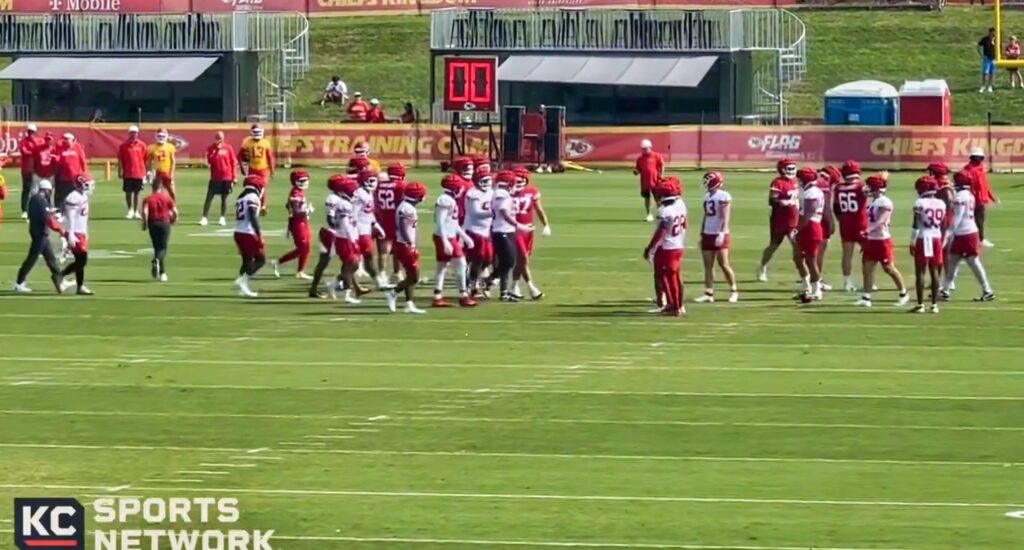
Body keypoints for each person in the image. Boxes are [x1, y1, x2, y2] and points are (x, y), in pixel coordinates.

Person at [855, 174, 910, 308]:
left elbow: (882, 220)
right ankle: (866, 297)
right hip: (872, 240)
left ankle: (903, 293)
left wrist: (869, 230)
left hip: (882, 240)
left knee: (889, 268)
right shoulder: (874, 201)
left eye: (871, 186)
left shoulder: (885, 202)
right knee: (867, 268)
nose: (867, 189)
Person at [942, 170, 995, 302]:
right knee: (953, 261)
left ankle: (987, 289)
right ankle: (945, 289)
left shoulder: (960, 197)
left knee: (972, 262)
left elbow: (958, 217)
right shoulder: (968, 195)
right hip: (969, 231)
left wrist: (949, 234)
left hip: (964, 233)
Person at [643, 177, 687, 316]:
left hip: (668, 247)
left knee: (666, 277)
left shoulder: (665, 211)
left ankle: (673, 306)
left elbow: (660, 233)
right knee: (675, 277)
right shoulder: (681, 205)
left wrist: (649, 249)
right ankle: (678, 305)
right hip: (678, 244)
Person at [432, 174, 476, 307]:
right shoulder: (446, 200)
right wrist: (445, 241)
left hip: (445, 235)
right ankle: (463, 295)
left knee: (442, 266)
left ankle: (437, 295)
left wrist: (465, 237)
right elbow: (440, 221)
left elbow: (452, 223)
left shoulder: (449, 199)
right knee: (461, 264)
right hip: (445, 236)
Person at [13, 180, 65, 294]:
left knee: (51, 259)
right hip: (40, 234)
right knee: (31, 259)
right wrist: (60, 230)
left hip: (39, 233)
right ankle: (19, 283)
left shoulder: (34, 199)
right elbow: (48, 219)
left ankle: (60, 280)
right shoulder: (40, 201)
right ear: (46, 190)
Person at [695, 171, 738, 303]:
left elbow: (725, 216)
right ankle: (709, 292)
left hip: (719, 234)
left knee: (724, 264)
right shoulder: (707, 196)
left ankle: (734, 290)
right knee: (708, 265)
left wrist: (721, 232)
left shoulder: (724, 196)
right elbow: (706, 216)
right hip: (708, 233)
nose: (705, 183)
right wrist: (702, 233)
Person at [387, 181, 428, 314]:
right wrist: (410, 243)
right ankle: (393, 293)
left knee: (411, 275)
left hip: (404, 244)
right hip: (405, 245)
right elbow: (403, 227)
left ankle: (409, 303)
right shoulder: (407, 208)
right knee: (414, 277)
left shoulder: (407, 206)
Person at [756, 158, 799, 282]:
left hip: (793, 219)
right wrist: (784, 202)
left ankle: (803, 273)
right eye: (789, 168)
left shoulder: (795, 181)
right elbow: (772, 200)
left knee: (797, 246)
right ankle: (762, 268)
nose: (792, 171)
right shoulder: (777, 182)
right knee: (774, 246)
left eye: (793, 168)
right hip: (779, 220)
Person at [512, 167, 551, 300]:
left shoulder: (531, 191)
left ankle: (514, 286)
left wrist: (546, 225)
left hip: (528, 229)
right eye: (518, 178)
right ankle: (529, 287)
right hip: (514, 229)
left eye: (523, 179)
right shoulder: (506, 192)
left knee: (522, 260)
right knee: (523, 258)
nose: (520, 181)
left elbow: (538, 209)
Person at [491, 170, 530, 302]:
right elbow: (503, 211)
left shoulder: (499, 193)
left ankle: (502, 290)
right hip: (502, 230)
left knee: (508, 262)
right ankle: (498, 288)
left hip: (505, 230)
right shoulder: (502, 194)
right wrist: (519, 225)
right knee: (508, 262)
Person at [909, 176, 946, 313]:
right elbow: (943, 225)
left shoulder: (920, 202)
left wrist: (912, 241)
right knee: (935, 271)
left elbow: (915, 224)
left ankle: (920, 304)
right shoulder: (941, 203)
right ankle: (934, 305)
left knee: (920, 272)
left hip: (924, 237)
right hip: (936, 237)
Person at [833, 160, 868, 292]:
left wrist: (841, 220)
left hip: (845, 224)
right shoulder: (861, 186)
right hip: (861, 224)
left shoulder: (838, 188)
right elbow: (875, 190)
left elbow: (836, 207)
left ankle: (847, 282)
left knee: (847, 255)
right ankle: (868, 281)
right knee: (869, 253)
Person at [272, 169, 314, 280]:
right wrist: (307, 210)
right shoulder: (296, 193)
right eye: (303, 180)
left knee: (307, 247)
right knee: (303, 248)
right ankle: (278, 262)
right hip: (298, 224)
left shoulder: (298, 192)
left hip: (302, 222)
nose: (306, 182)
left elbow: (287, 206)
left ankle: (300, 271)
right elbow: (296, 212)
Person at [793, 167, 825, 303]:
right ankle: (806, 286)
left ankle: (817, 288)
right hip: (809, 226)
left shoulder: (812, 193)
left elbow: (808, 214)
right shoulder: (811, 191)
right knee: (798, 258)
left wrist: (798, 229)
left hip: (811, 227)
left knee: (811, 260)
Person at [352, 170, 388, 288]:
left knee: (365, 259)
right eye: (372, 180)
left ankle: (378, 281)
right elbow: (353, 214)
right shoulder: (359, 194)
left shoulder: (368, 193)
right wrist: (353, 233)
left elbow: (368, 212)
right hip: (359, 232)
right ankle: (378, 281)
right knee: (355, 262)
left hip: (365, 230)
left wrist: (376, 225)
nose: (375, 183)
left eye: (375, 180)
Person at [232, 176, 267, 298]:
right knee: (261, 260)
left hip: (239, 232)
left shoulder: (241, 197)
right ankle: (242, 280)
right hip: (248, 232)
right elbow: (252, 216)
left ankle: (243, 287)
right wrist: (259, 234)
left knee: (246, 261)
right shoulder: (253, 197)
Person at [60, 175, 93, 295]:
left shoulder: (82, 195)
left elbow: (82, 217)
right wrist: (71, 234)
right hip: (75, 232)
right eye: (87, 184)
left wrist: (86, 231)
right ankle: (60, 275)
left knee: (80, 260)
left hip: (81, 231)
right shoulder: (73, 196)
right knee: (82, 260)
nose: (89, 186)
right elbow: (71, 217)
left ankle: (80, 286)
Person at [463, 168, 494, 298]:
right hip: (474, 230)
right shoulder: (472, 194)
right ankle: (473, 286)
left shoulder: (492, 192)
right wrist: (493, 213)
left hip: (486, 231)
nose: (488, 182)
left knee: (488, 259)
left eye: (489, 180)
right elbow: (475, 212)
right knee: (478, 259)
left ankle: (474, 278)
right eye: (485, 180)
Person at [140, 176, 178, 282]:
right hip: (164, 223)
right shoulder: (166, 198)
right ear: (161, 187)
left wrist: (145, 224)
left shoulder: (148, 199)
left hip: (153, 224)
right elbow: (175, 211)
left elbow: (145, 212)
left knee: (157, 247)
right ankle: (157, 261)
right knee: (163, 248)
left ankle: (162, 272)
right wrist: (174, 220)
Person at [375, 164, 406, 284]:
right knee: (397, 246)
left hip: (382, 217)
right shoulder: (401, 186)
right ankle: (397, 272)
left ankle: (382, 273)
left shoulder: (380, 185)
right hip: (396, 218)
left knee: (384, 248)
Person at [962, 147, 998, 247]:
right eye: (979, 158)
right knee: (972, 221)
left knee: (979, 221)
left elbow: (985, 185)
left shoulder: (980, 170)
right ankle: (977, 240)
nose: (981, 160)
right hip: (973, 200)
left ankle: (979, 240)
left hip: (981, 200)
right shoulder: (969, 170)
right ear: (974, 158)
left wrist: (992, 197)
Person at [202, 131, 238, 226]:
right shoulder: (210, 148)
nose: (219, 140)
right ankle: (204, 218)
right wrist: (216, 151)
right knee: (209, 197)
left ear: (223, 138)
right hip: (215, 178)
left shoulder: (228, 148)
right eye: (217, 138)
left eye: (220, 138)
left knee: (224, 198)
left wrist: (234, 177)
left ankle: (222, 217)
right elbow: (209, 161)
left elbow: (233, 162)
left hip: (227, 177)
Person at [814, 165, 840, 291]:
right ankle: (816, 280)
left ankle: (812, 279)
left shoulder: (815, 183)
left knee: (812, 253)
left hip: (814, 220)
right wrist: (830, 223)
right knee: (818, 253)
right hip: (821, 221)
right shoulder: (824, 185)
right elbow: (825, 209)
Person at [239, 124, 275, 213]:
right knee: (252, 187)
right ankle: (255, 205)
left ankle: (262, 206)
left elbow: (269, 157)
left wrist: (272, 170)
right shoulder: (247, 142)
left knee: (261, 187)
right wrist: (242, 167)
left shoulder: (264, 142)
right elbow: (240, 156)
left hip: (262, 168)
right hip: (252, 168)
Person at [118, 125, 147, 220]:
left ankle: (136, 211)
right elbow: (120, 159)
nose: (133, 134)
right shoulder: (123, 145)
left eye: (135, 132)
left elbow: (145, 159)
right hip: (128, 173)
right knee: (128, 192)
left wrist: (146, 172)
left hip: (139, 173)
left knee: (137, 193)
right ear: (129, 133)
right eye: (131, 132)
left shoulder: (142, 145)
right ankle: (130, 210)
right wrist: (120, 170)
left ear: (138, 133)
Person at [55, 133, 87, 217]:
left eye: (67, 139)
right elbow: (59, 161)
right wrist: (57, 160)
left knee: (78, 196)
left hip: (76, 177)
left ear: (71, 139)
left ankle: (79, 212)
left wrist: (85, 174)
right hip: (64, 177)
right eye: (64, 139)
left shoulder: (78, 147)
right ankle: (63, 213)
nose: (65, 141)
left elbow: (83, 161)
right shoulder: (61, 149)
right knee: (64, 196)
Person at [18, 123, 44, 219]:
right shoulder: (24, 142)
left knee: (38, 190)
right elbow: (24, 151)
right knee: (26, 190)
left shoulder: (39, 141)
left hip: (38, 169)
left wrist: (34, 151)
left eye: (32, 132)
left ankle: (39, 208)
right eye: (29, 131)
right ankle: (24, 210)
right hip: (27, 169)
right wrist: (34, 151)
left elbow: (41, 151)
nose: (30, 133)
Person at [634, 139, 664, 222]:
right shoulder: (640, 158)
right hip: (645, 182)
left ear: (650, 147)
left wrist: (661, 175)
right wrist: (636, 172)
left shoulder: (656, 156)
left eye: (645, 148)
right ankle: (649, 214)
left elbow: (661, 165)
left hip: (655, 181)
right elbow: (638, 169)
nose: (644, 150)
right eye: (643, 148)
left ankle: (661, 214)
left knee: (658, 198)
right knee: (647, 198)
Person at [147, 129, 177, 201]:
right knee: (156, 193)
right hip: (157, 172)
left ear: (166, 136)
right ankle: (156, 209)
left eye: (163, 136)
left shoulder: (170, 147)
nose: (161, 138)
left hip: (167, 172)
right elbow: (149, 161)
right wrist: (149, 172)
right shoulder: (151, 147)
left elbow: (173, 162)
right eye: (159, 136)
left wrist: (171, 174)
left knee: (172, 192)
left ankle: (172, 208)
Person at [31, 133, 57, 211]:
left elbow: (56, 162)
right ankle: (34, 208)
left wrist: (54, 172)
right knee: (35, 192)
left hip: (49, 174)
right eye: (46, 139)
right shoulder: (38, 148)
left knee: (50, 193)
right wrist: (35, 171)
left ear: (52, 140)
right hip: (39, 174)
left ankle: (50, 207)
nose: (47, 141)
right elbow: (34, 160)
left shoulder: (54, 149)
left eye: (49, 139)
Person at [979, 27, 997, 93]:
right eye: (992, 32)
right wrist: (982, 55)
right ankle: (983, 86)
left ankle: (990, 86)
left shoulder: (996, 40)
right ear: (989, 32)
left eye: (994, 32)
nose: (993, 33)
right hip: (987, 58)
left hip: (994, 58)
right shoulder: (985, 39)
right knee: (985, 73)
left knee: (992, 73)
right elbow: (978, 46)